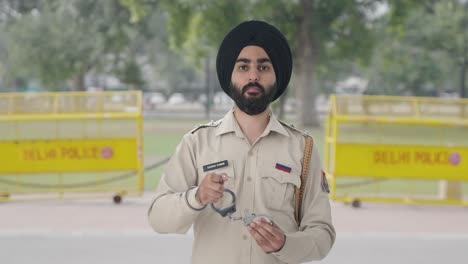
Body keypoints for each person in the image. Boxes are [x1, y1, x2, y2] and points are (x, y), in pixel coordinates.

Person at [148, 20, 335, 264]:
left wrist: (286, 244)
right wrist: (197, 196)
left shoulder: (302, 148)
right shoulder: (198, 143)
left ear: (277, 76)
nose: (254, 75)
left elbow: (322, 234)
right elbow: (158, 218)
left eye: (264, 67)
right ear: (230, 75)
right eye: (243, 67)